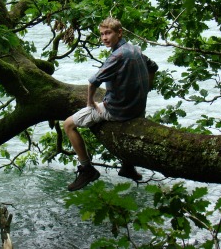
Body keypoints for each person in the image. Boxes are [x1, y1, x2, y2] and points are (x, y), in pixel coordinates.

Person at [63, 17, 158, 191]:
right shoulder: (135, 49)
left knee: (68, 125)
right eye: (102, 34)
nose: (104, 38)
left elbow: (93, 82)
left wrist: (91, 103)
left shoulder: (117, 55)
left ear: (119, 33)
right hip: (138, 109)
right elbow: (153, 66)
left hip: (117, 111)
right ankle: (127, 167)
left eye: (108, 33)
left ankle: (87, 169)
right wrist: (146, 88)